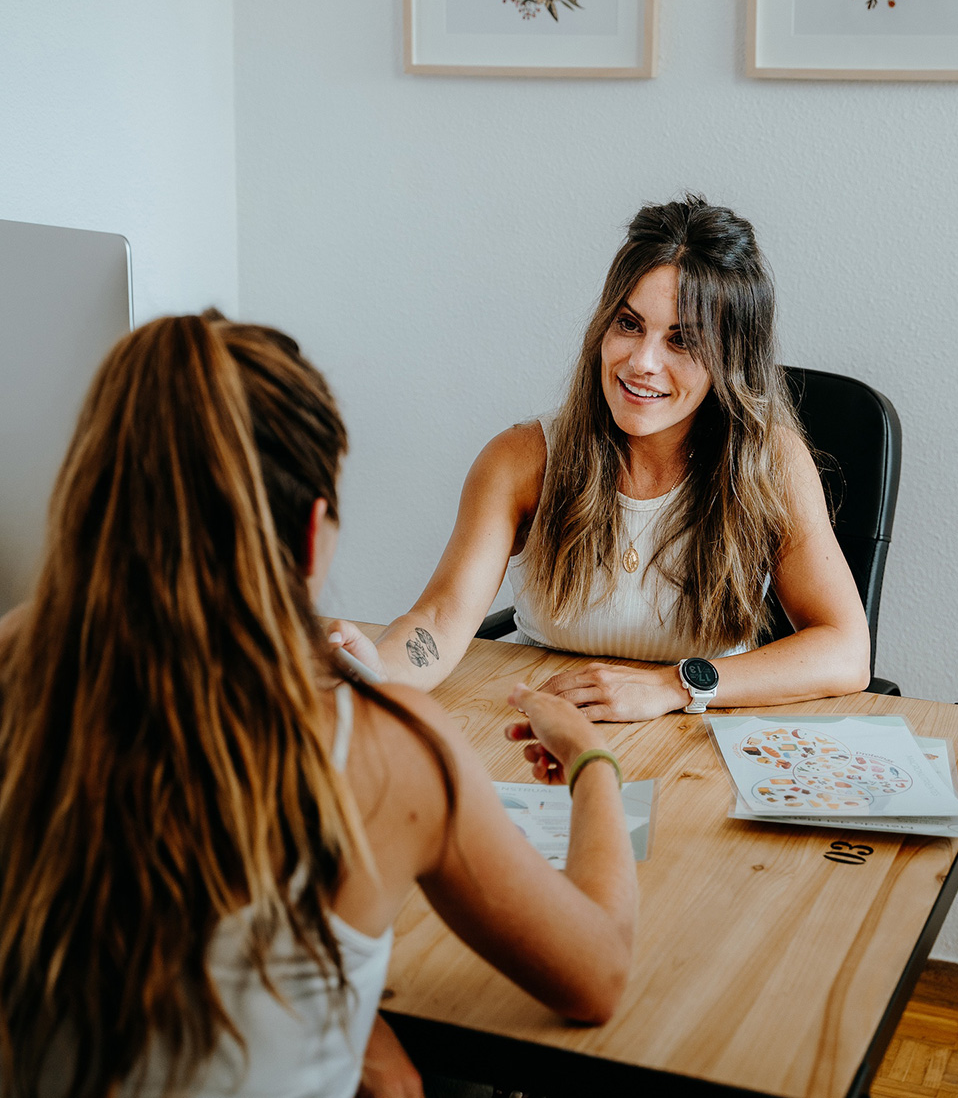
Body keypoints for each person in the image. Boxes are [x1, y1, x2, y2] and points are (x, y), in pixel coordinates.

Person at [0, 314, 636, 1098]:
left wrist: (358, 1024)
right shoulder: (390, 752)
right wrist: (589, 759)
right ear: (310, 535)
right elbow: (597, 974)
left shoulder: (17, 671)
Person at [334, 196, 871, 719]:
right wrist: (372, 667)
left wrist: (672, 686)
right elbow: (439, 619)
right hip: (543, 726)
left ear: (731, 360)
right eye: (629, 324)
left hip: (703, 738)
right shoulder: (520, 459)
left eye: (682, 341)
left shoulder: (770, 462)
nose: (642, 362)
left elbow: (846, 650)